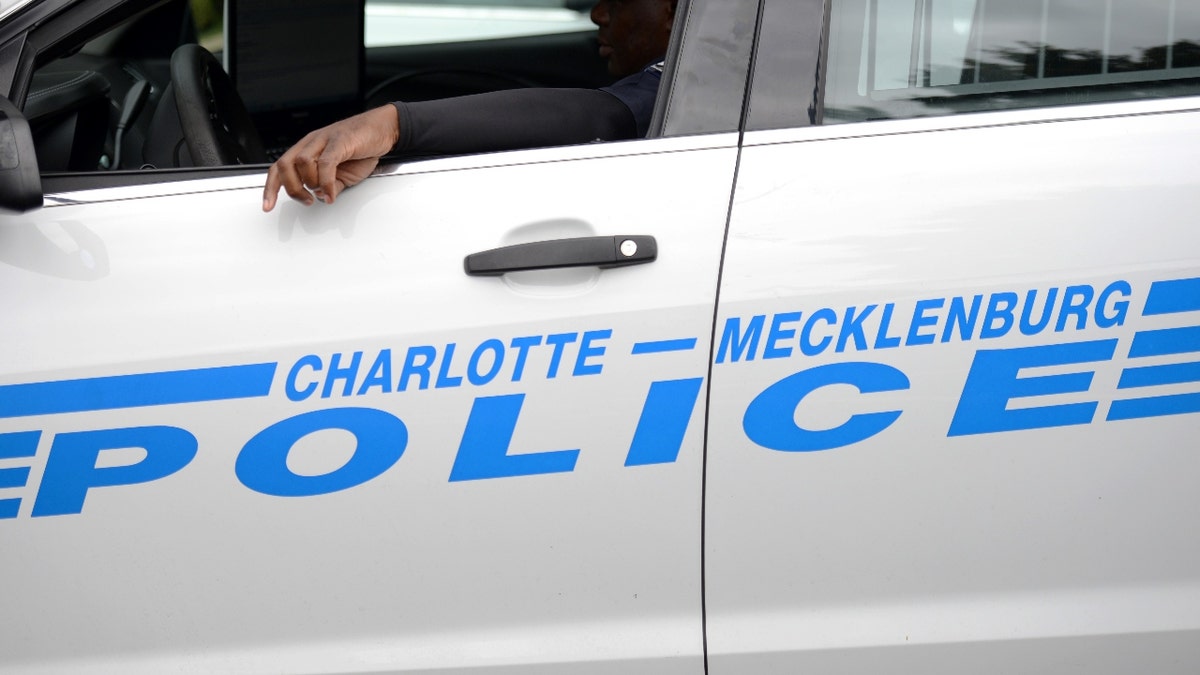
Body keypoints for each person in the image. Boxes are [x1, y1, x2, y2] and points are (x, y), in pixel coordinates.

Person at [262, 0, 677, 212]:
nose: (597, 12)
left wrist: (393, 127)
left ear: (675, 12)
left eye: (618, 0)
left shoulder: (684, 87)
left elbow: (602, 115)